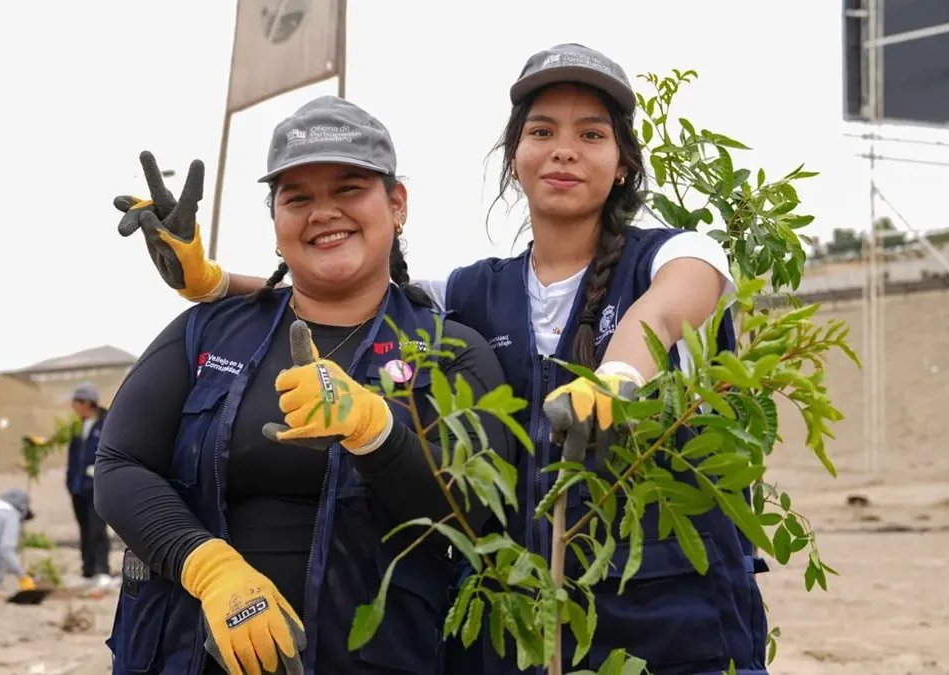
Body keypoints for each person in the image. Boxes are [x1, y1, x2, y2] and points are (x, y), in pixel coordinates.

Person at [116, 45, 770, 675]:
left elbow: (662, 310)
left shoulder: (676, 254)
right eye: (541, 131)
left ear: (624, 161)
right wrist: (212, 282)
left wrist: (619, 377)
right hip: (526, 623)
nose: (564, 149)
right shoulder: (471, 293)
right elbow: (338, 286)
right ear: (515, 157)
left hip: (673, 620)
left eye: (592, 134)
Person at [95, 96, 514, 675]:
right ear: (275, 225)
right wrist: (210, 567)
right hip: (190, 655)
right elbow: (119, 464)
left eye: (348, 189)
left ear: (397, 205)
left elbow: (479, 510)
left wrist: (377, 432)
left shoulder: (449, 351)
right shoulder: (207, 331)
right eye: (298, 197)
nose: (323, 212)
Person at [67, 382, 113, 589]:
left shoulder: (107, 424)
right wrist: (70, 482)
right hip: (78, 487)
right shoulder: (78, 426)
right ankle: (87, 570)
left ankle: (102, 570)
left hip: (97, 487)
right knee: (84, 529)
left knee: (97, 529)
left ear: (87, 402)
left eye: (76, 402)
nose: (73, 406)